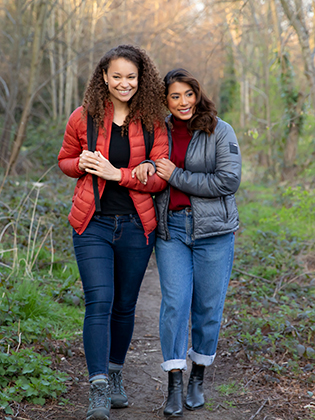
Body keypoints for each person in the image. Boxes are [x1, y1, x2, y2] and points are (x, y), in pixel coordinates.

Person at [58, 44, 168, 420]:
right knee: (99, 302)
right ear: (104, 77)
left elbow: (160, 181)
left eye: (131, 77)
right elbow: (64, 160)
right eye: (116, 76)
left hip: (138, 227)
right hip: (93, 224)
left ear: (142, 79)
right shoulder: (82, 117)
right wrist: (81, 163)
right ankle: (99, 387)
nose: (124, 83)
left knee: (124, 306)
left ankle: (117, 373)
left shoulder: (155, 122)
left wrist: (118, 174)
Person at [154, 68, 242, 417]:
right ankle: (174, 380)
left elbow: (228, 180)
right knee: (175, 304)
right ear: (166, 100)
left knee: (207, 309)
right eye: (174, 96)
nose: (182, 102)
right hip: (172, 231)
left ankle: (198, 378)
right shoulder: (157, 131)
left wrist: (176, 176)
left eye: (187, 94)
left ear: (197, 93)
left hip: (214, 234)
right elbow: (145, 166)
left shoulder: (220, 130)